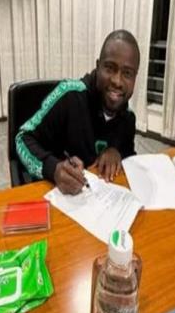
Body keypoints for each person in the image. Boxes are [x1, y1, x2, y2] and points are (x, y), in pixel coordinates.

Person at [16, 29, 140, 195]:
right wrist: (54, 169)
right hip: (57, 194)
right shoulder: (69, 95)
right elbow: (22, 139)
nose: (117, 81)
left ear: (135, 78)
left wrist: (116, 152)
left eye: (127, 73)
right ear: (98, 66)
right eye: (110, 68)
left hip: (98, 200)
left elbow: (129, 160)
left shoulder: (128, 119)